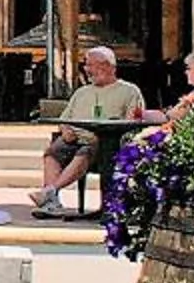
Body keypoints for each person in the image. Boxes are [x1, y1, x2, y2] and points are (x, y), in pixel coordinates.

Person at [31, 45, 146, 217]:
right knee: (53, 152)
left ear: (108, 66)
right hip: (75, 137)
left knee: (87, 150)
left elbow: (134, 120)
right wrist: (65, 129)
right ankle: (51, 202)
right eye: (87, 65)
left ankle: (50, 191)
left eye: (91, 65)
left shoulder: (129, 91)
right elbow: (65, 118)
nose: (87, 70)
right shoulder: (82, 92)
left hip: (104, 141)